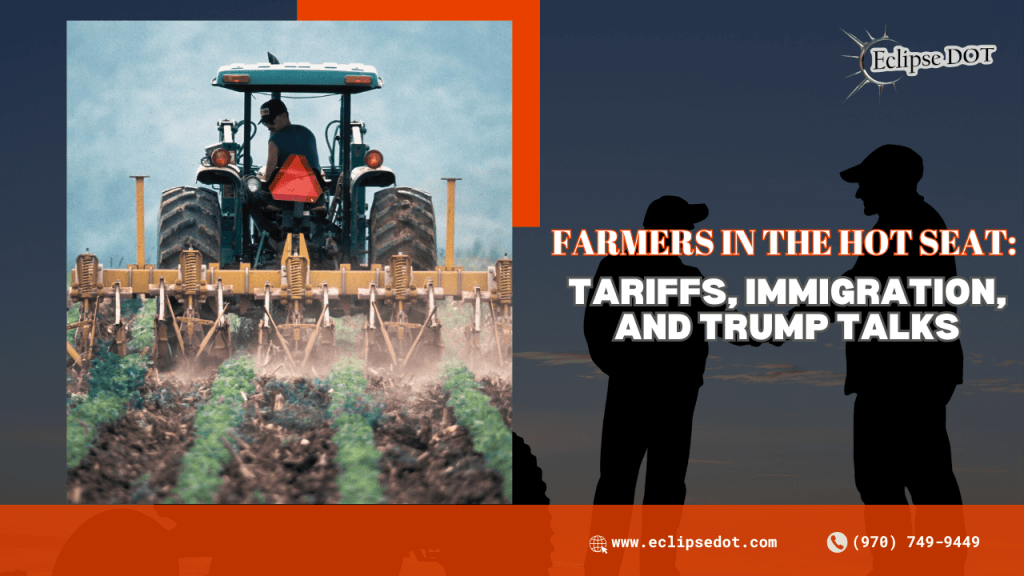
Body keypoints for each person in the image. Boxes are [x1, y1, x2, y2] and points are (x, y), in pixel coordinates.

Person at [583, 196, 757, 575]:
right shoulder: (646, 272)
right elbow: (597, 331)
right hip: (661, 395)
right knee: (641, 484)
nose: (692, 234)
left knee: (640, 484)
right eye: (686, 227)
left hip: (655, 393)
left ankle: (634, 566)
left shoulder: (638, 270)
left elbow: (596, 331)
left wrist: (622, 370)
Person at [258, 98, 321, 182]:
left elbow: (269, 176)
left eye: (271, 121)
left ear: (284, 116)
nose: (268, 126)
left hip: (287, 191)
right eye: (265, 122)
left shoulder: (275, 139)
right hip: (314, 190)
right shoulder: (308, 133)